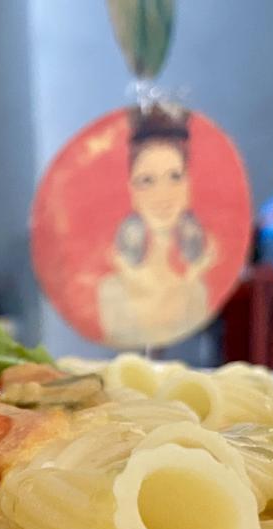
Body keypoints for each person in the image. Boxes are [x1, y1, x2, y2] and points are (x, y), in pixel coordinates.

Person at [97, 105, 218, 348]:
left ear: (188, 186)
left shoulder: (198, 291)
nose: (163, 194)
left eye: (174, 177)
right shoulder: (111, 292)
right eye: (147, 180)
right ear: (132, 191)